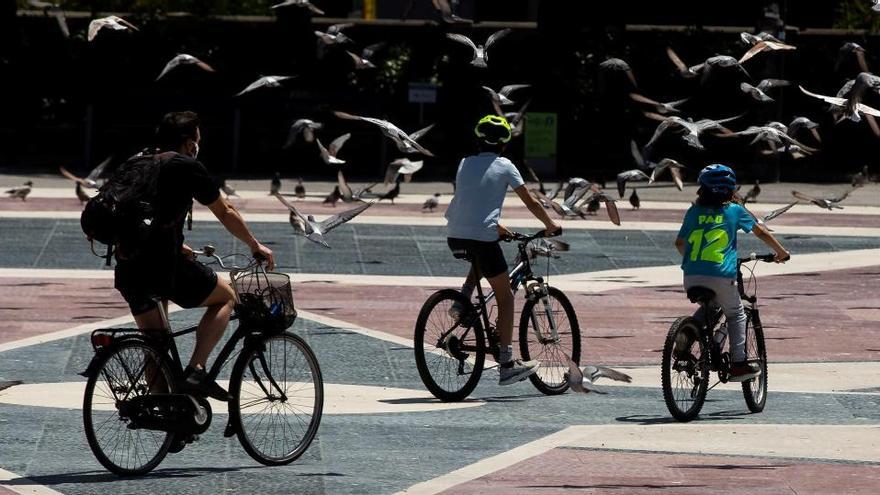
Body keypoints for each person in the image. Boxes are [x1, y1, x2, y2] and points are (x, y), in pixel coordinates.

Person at [113, 111, 275, 399]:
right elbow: (225, 211)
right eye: (197, 140)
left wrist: (178, 244)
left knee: (156, 342)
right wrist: (254, 244)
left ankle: (163, 413)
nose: (199, 145)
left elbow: (142, 217)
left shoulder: (136, 161)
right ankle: (197, 370)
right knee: (227, 297)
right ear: (189, 143)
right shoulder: (187, 166)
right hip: (163, 266)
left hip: (129, 266)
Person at [444, 114, 562, 386]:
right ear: (504, 144)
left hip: (455, 234)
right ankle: (507, 364)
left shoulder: (464, 163)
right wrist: (550, 224)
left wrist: (498, 227)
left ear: (478, 140)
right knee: (506, 297)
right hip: (481, 237)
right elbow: (531, 202)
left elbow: (472, 202)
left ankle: (461, 303)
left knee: (481, 260)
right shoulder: (506, 165)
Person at [674, 164, 790, 381]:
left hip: (690, 274)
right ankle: (738, 364)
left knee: (711, 305)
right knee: (737, 314)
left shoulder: (693, 211)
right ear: (730, 190)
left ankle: (687, 333)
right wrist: (781, 253)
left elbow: (680, 243)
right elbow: (761, 232)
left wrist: (695, 261)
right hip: (720, 274)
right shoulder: (734, 210)